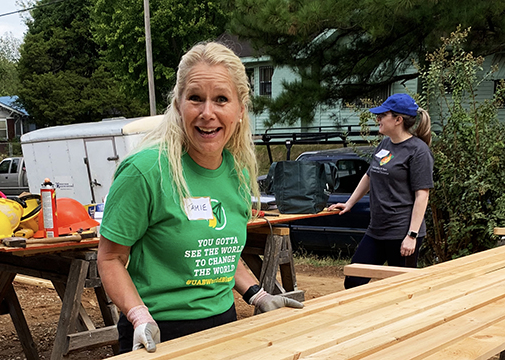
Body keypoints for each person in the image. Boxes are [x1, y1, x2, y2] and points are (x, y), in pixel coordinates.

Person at [97, 42, 303, 354]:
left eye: (221, 99)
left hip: (224, 326)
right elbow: (110, 258)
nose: (208, 113)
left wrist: (258, 295)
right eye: (195, 98)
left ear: (240, 109)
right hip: (157, 332)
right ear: (179, 105)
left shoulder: (236, 171)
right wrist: (139, 316)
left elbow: (218, 252)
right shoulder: (145, 171)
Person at [328, 93, 434, 289]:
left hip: (403, 232)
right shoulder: (385, 144)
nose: (377, 119)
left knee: (403, 289)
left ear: (398, 120)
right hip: (377, 230)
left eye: (382, 115)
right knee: (353, 281)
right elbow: (369, 175)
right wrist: (350, 203)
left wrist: (411, 235)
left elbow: (422, 195)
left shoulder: (418, 151)